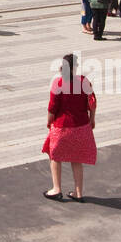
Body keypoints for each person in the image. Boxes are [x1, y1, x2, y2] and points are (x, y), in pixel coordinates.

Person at [42, 54, 96, 202]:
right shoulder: (84, 81)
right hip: (81, 125)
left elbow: (52, 108)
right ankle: (78, 193)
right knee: (76, 158)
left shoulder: (58, 84)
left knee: (55, 156)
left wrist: (49, 123)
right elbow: (92, 102)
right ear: (75, 67)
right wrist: (92, 119)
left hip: (62, 127)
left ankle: (56, 189)